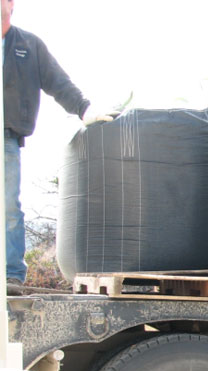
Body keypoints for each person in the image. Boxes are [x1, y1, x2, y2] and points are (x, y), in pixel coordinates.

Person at [2, 0, 112, 294]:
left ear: (11, 4)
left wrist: (84, 109)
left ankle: (11, 274)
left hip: (5, 138)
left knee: (8, 208)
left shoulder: (27, 45)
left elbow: (57, 81)